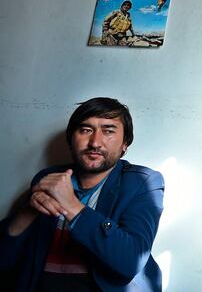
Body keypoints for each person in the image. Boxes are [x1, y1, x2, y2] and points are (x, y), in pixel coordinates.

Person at [0, 97, 164, 291]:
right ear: (71, 139)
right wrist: (29, 210)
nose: (95, 142)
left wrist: (72, 207)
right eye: (86, 130)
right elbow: (3, 257)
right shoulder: (50, 178)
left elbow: (130, 261)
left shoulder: (143, 183)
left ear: (125, 144)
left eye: (108, 131)